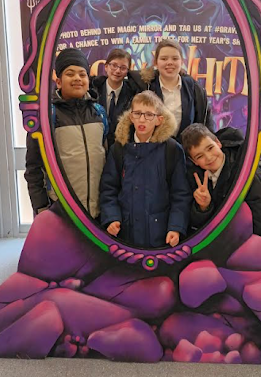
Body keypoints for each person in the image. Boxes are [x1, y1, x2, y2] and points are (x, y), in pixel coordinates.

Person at [100, 91, 192, 248]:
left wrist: (175, 227)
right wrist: (111, 217)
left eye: (149, 114)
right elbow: (109, 188)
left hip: (160, 235)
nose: (142, 119)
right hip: (125, 235)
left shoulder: (171, 150)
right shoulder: (119, 149)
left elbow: (180, 194)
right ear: (131, 117)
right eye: (137, 113)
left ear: (159, 120)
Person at [24, 48, 107, 219]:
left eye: (82, 74)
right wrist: (41, 208)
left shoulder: (99, 113)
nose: (77, 78)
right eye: (70, 73)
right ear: (59, 81)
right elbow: (34, 168)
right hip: (61, 213)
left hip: (98, 214)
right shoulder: (46, 117)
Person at [181, 123, 261, 251]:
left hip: (252, 235)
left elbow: (259, 212)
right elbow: (198, 224)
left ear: (218, 143)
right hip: (218, 239)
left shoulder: (245, 168)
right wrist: (203, 207)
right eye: (199, 156)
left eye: (210, 148)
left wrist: (230, 245)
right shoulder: (195, 178)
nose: (209, 157)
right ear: (194, 161)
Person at [128, 38, 213, 142]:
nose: (169, 62)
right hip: (152, 150)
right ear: (156, 62)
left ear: (182, 61)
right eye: (164, 59)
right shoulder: (143, 87)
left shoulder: (195, 89)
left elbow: (205, 124)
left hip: (185, 153)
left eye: (175, 58)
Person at [91, 49, 138, 149]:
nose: (117, 71)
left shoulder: (133, 94)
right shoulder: (92, 91)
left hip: (122, 149)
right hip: (96, 146)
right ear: (106, 67)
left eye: (123, 68)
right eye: (114, 65)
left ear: (127, 72)